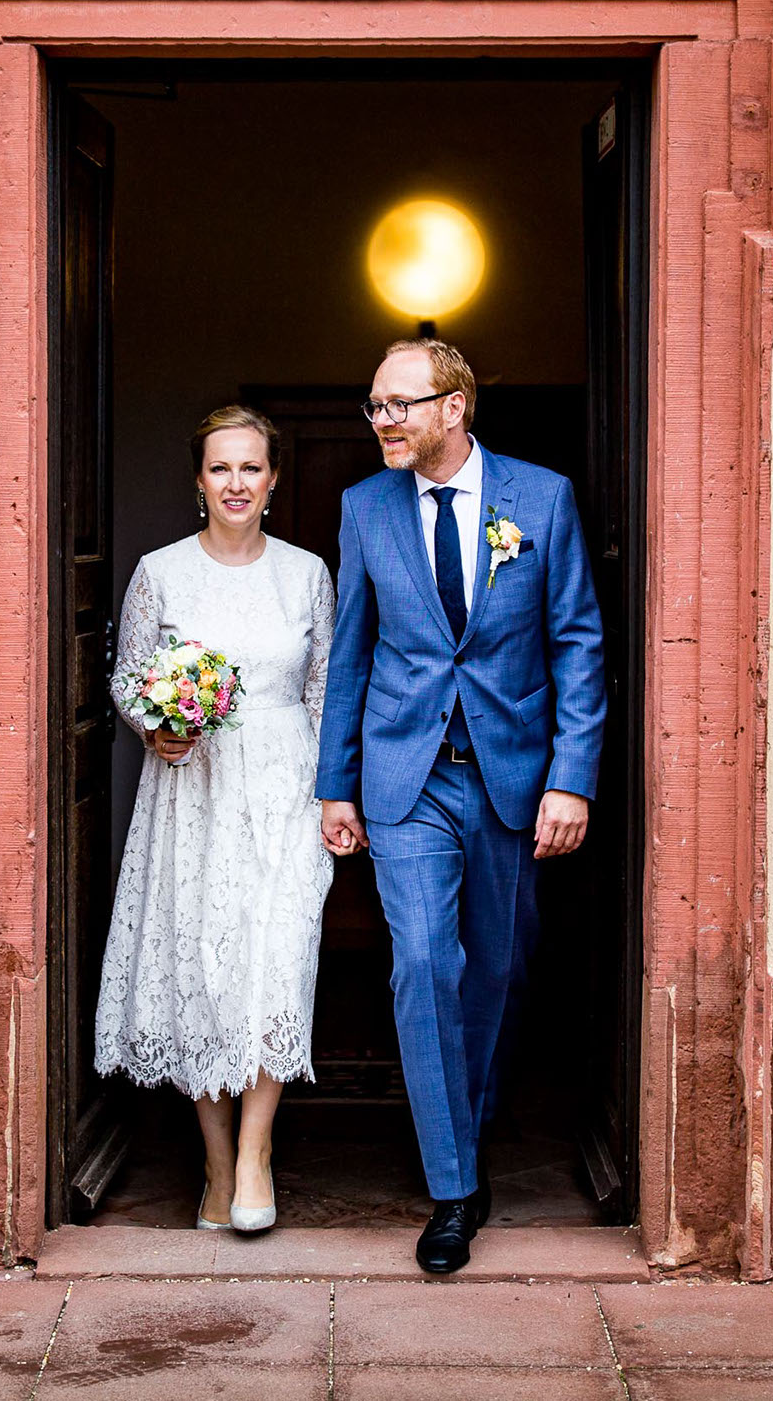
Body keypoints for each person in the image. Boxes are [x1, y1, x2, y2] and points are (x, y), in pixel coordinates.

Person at [316, 338, 605, 1274]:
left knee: (502, 969)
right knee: (425, 963)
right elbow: (352, 654)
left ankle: (466, 1132)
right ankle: (451, 1187)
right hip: (408, 779)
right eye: (375, 406)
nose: (383, 422)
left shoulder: (542, 498)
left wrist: (573, 776)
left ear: (455, 408)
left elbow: (577, 645)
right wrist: (336, 783)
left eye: (399, 405)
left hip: (511, 775)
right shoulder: (365, 508)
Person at [94, 404, 337, 1233]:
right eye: (220, 468)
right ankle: (214, 1159)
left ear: (273, 480)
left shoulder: (307, 573)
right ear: (199, 482)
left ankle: (258, 1152)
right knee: (201, 966)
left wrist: (331, 795)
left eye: (251, 468)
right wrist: (156, 724)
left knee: (275, 958)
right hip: (191, 788)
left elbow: (323, 690)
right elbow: (128, 676)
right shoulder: (160, 572)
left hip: (282, 786)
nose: (236, 483)